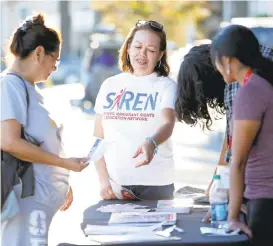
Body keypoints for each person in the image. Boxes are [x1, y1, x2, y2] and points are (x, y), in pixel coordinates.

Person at [1, 13, 86, 246]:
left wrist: (61, 181)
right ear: (39, 53)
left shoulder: (29, 89)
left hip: (38, 204)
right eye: (55, 60)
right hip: (24, 202)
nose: (55, 67)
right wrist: (65, 165)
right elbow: (10, 142)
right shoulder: (10, 85)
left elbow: (42, 142)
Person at [175, 43, 273, 221]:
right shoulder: (243, 54)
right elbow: (231, 136)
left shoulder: (240, 84)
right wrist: (218, 179)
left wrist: (228, 202)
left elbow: (238, 154)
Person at [93, 20, 176, 200]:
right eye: (137, 46)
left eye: (151, 50)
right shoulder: (110, 85)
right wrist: (103, 181)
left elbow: (168, 123)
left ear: (161, 54)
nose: (142, 54)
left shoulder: (166, 85)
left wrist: (151, 142)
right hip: (116, 185)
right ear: (128, 47)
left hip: (156, 185)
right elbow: (98, 138)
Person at [210, 24, 273, 245]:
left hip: (265, 201)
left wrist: (233, 216)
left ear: (226, 60)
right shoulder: (265, 82)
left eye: (216, 62)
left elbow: (238, 161)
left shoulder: (250, 91)